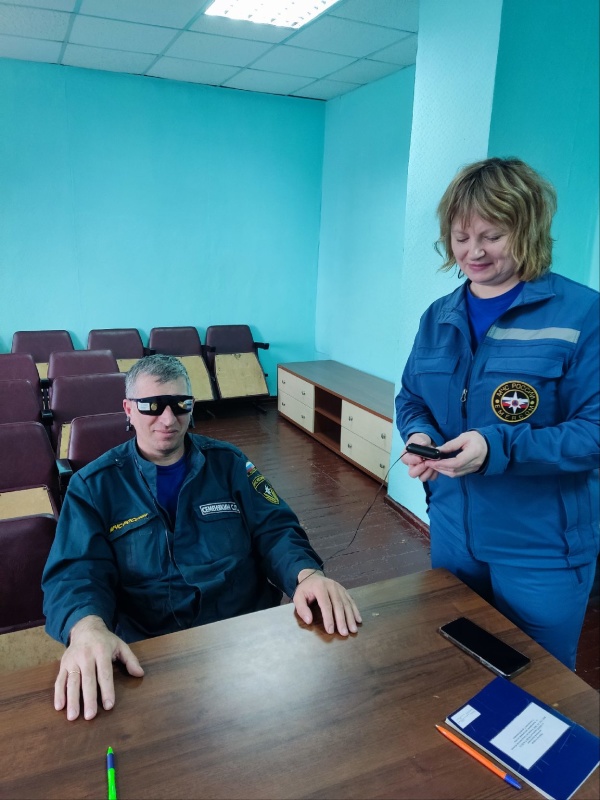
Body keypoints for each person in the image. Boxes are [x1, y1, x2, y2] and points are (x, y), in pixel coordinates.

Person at [43, 354, 361, 721]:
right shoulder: (93, 487)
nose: (168, 419)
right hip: (151, 652)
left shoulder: (229, 464)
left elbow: (275, 530)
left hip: (245, 639)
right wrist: (86, 628)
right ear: (128, 409)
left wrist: (307, 575)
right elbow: (76, 572)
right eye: (152, 406)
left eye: (180, 405)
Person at [396, 157, 599, 670]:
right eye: (461, 237)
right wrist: (419, 434)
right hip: (453, 535)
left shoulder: (584, 314)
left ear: (527, 230)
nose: (474, 252)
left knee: (541, 680)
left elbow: (594, 432)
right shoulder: (437, 317)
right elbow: (412, 398)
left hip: (542, 547)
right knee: (458, 666)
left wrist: (495, 449)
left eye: (492, 236)